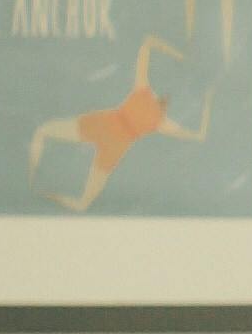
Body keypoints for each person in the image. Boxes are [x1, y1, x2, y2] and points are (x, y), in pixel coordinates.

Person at [30, 37, 208, 209]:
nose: (166, 101)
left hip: (111, 140)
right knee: (44, 131)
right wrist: (180, 56)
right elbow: (148, 44)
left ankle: (38, 186)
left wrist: (207, 100)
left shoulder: (156, 113)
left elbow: (198, 136)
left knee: (83, 202)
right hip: (104, 129)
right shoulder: (146, 95)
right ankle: (33, 179)